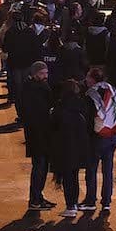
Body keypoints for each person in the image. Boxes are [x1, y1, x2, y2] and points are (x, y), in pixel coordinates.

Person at [82, 66, 116, 211]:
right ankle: (106, 201)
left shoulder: (91, 94)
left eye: (88, 77)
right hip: (112, 135)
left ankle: (90, 200)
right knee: (108, 170)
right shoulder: (113, 91)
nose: (86, 79)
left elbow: (89, 118)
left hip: (97, 137)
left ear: (93, 79)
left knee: (92, 169)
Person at [51, 78, 91, 217]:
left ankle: (71, 206)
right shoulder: (81, 105)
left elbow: (53, 127)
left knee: (68, 178)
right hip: (79, 148)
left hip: (64, 148)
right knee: (74, 177)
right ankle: (73, 203)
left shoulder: (60, 108)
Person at [19, 61, 55, 210]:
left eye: (46, 73)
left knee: (42, 166)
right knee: (39, 166)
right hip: (37, 133)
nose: (45, 76)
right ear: (34, 74)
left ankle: (38, 196)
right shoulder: (32, 89)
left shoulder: (40, 87)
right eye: (42, 73)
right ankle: (35, 199)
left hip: (42, 133)